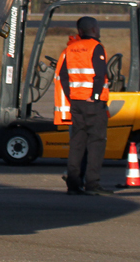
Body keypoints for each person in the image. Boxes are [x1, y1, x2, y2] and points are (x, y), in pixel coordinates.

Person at [57, 17, 111, 195]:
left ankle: (73, 184)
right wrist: (95, 96)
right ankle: (92, 184)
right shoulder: (96, 47)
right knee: (96, 143)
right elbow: (99, 74)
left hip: (77, 103)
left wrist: (71, 96)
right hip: (93, 104)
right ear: (94, 29)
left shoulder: (70, 48)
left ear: (79, 31)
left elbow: (63, 76)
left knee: (77, 144)